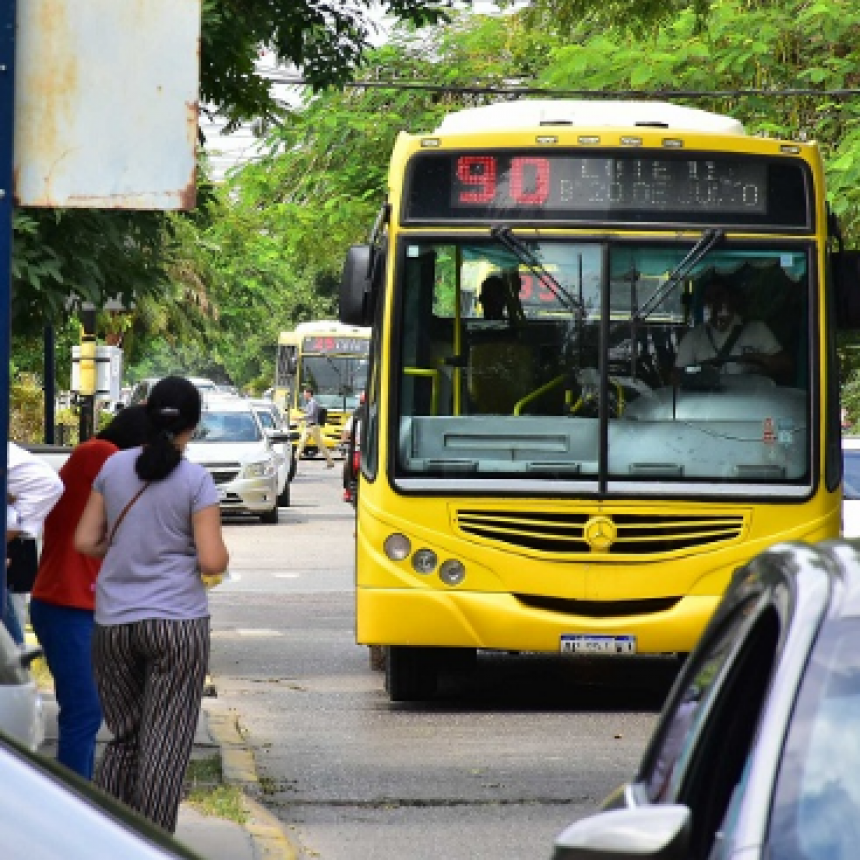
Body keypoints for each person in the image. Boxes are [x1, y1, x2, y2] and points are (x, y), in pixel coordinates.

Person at [74, 376, 229, 833]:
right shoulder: (196, 480)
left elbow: (85, 540)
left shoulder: (113, 468)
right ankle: (153, 845)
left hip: (115, 623)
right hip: (177, 624)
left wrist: (124, 550)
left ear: (147, 413)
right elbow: (211, 559)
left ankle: (106, 839)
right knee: (165, 744)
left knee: (122, 739)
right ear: (193, 426)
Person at [29, 406, 149, 780]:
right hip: (68, 604)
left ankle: (78, 796)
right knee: (83, 711)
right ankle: (74, 805)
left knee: (89, 711)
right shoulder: (98, 454)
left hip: (84, 603)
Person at [674, 277, 791, 381]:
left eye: (719, 296)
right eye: (709, 299)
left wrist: (761, 359)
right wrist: (700, 370)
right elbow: (676, 377)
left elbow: (785, 365)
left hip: (752, 399)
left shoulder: (756, 329)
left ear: (732, 299)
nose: (715, 303)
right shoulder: (694, 337)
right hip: (707, 402)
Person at [4, 442, 64, 645]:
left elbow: (48, 484)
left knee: (10, 645)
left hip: (15, 549)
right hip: (15, 542)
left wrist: (14, 522)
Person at [295, 385, 335, 468]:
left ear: (309, 393)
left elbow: (311, 414)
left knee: (321, 445)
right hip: (308, 427)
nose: (304, 394)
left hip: (313, 427)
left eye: (305, 393)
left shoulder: (313, 402)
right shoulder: (310, 403)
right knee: (301, 443)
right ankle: (294, 462)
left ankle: (330, 462)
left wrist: (301, 418)